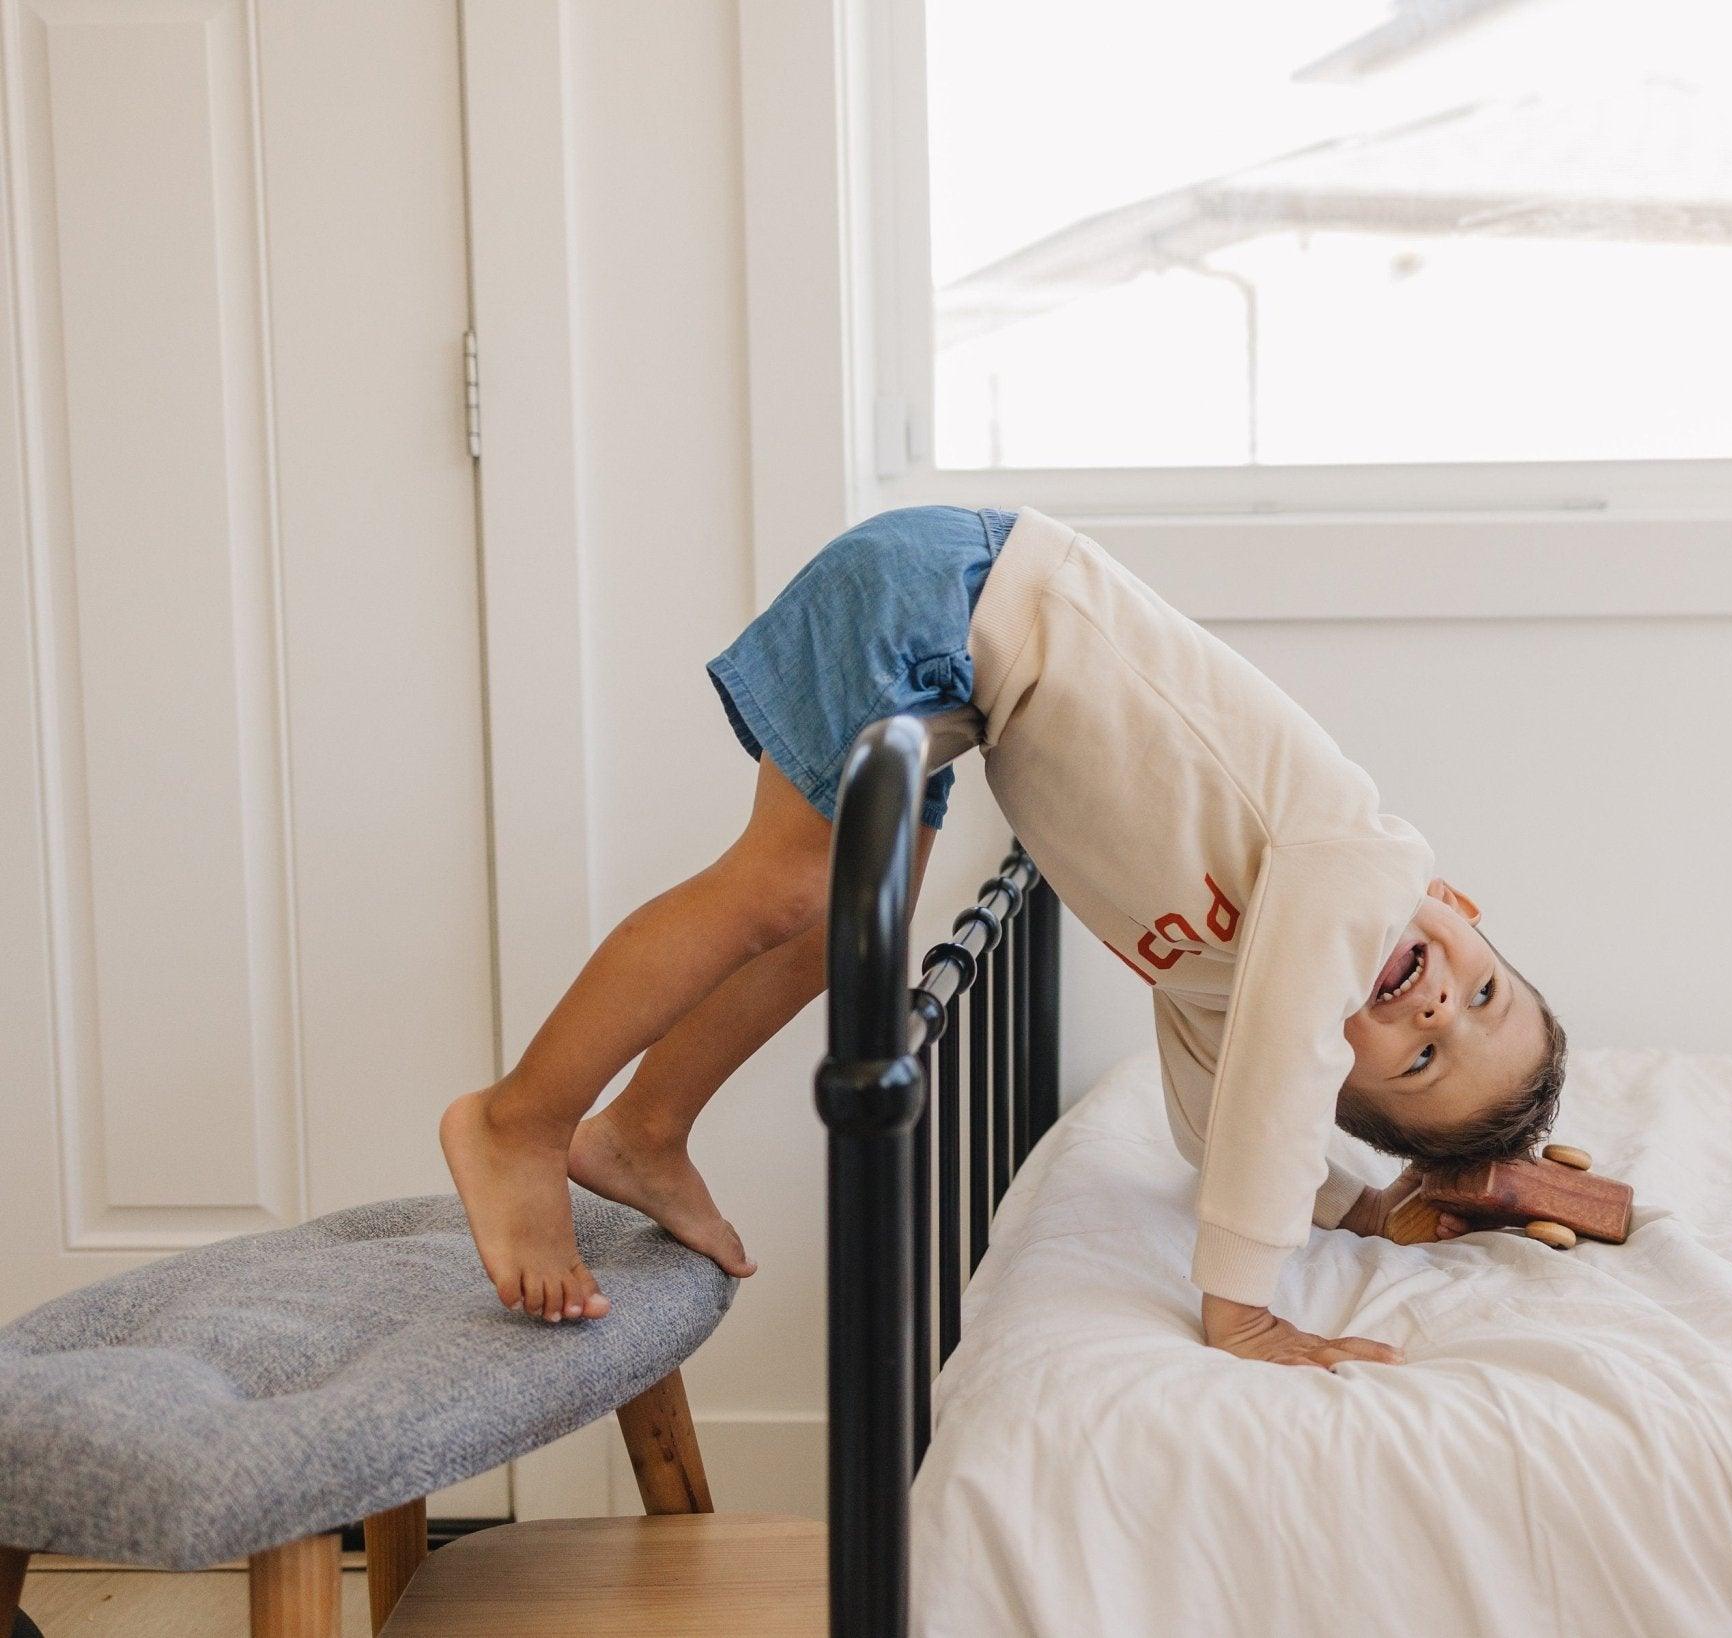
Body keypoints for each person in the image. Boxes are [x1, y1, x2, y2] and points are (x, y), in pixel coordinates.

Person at [441, 506, 1567, 1366]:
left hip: (964, 672)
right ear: (1460, 909)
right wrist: (1242, 1305)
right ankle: (517, 1121)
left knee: (831, 931)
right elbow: (1277, 1078)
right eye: (1480, 1000)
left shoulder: (1248, 972)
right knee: (782, 890)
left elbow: (1218, 1111)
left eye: (1421, 1062)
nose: (1431, 1012)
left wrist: (1358, 1205)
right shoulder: (1359, 863)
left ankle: (641, 1129)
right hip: (948, 593)